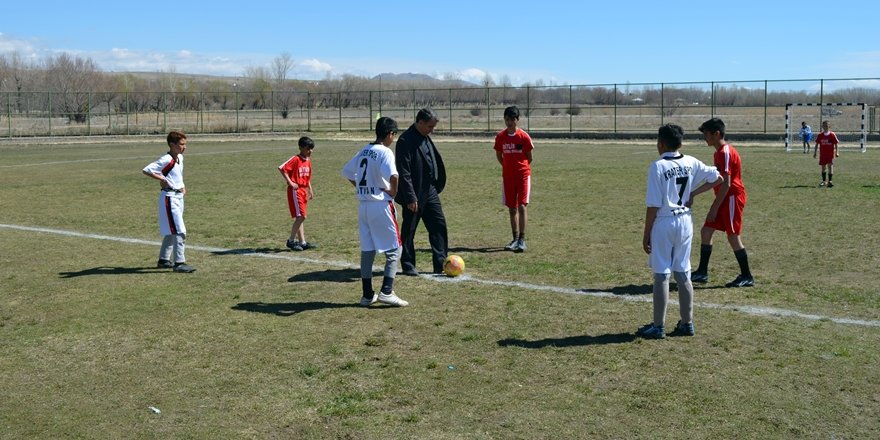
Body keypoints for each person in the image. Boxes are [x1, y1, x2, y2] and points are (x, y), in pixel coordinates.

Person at [638, 124, 721, 339]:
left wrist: (646, 233)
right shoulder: (691, 161)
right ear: (681, 143)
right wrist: (693, 192)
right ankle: (687, 322)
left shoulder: (657, 166)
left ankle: (658, 326)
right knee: (683, 272)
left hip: (664, 221)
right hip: (685, 221)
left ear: (660, 143)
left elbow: (653, 206)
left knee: (661, 274)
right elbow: (717, 178)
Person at [341, 117, 410, 307]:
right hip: (381, 206)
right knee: (395, 248)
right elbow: (394, 175)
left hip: (363, 207)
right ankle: (387, 291)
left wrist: (362, 187)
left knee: (368, 251)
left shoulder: (364, 150)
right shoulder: (385, 152)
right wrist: (393, 192)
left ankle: (366, 295)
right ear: (390, 134)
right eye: (394, 135)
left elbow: (347, 171)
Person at [691, 118, 755, 288]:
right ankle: (702, 272)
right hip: (724, 197)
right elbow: (717, 181)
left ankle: (747, 276)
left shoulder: (725, 152)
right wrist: (694, 193)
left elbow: (725, 183)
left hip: (732, 197)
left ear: (716, 133)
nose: (705, 138)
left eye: (706, 134)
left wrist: (714, 208)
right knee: (706, 231)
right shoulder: (718, 153)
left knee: (733, 236)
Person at [395, 108, 448, 275]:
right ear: (420, 122)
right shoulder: (405, 140)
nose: (432, 130)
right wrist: (410, 197)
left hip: (430, 190)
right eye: (430, 126)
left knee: (438, 226)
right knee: (409, 230)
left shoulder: (426, 137)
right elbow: (403, 172)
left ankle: (441, 263)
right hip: (414, 193)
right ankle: (408, 265)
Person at [141, 131, 196, 273]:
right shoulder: (167, 159)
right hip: (169, 198)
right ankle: (179, 263)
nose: (185, 147)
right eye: (182, 144)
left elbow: (177, 175)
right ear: (172, 145)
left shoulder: (180, 158)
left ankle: (164, 260)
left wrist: (181, 185)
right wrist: (162, 180)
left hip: (178, 197)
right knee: (179, 231)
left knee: (172, 231)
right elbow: (147, 170)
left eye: (185, 144)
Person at [494, 106, 534, 252]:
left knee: (522, 206)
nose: (509, 122)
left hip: (522, 176)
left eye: (512, 120)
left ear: (517, 120)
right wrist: (507, 167)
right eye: (507, 119)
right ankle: (515, 239)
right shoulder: (500, 137)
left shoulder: (524, 137)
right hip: (508, 178)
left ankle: (522, 240)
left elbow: (529, 157)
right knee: (512, 209)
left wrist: (520, 169)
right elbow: (499, 155)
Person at [278, 136, 318, 251]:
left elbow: (307, 177)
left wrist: (310, 188)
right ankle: (291, 241)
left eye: (311, 149)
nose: (310, 151)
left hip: (303, 190)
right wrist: (290, 182)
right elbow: (282, 168)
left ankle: (302, 242)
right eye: (307, 149)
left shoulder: (308, 161)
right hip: (295, 191)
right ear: (301, 148)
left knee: (300, 217)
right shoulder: (296, 159)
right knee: (301, 216)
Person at [813, 120, 840, 187]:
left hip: (830, 154)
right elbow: (817, 144)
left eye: (827, 125)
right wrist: (815, 153)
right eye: (824, 125)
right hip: (823, 154)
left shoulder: (832, 134)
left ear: (829, 126)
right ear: (822, 126)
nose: (826, 127)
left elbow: (836, 144)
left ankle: (830, 181)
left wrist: (837, 152)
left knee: (830, 166)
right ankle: (824, 181)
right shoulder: (820, 135)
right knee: (823, 167)